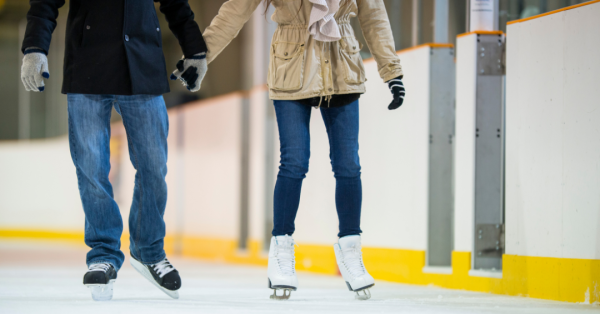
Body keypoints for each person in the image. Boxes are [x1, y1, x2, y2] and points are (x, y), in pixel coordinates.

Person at [202, 0, 406, 300]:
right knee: (294, 162)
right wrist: (200, 57)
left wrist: (392, 72)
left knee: (348, 164)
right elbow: (235, 10)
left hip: (342, 67)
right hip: (291, 66)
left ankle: (351, 249)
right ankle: (281, 250)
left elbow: (374, 16)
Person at [20, 0, 208, 301]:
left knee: (153, 166)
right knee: (92, 169)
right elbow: (45, 3)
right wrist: (34, 48)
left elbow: (176, 3)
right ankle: (103, 254)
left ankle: (148, 251)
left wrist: (195, 50)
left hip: (143, 64)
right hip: (87, 65)